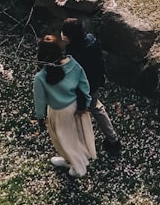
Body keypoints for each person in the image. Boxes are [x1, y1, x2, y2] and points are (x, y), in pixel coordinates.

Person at [33, 34, 96, 177]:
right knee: (75, 136)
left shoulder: (41, 77)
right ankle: (69, 160)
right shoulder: (72, 63)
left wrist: (40, 117)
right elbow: (83, 83)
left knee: (63, 139)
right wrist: (85, 102)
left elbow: (40, 100)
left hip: (57, 112)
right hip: (74, 106)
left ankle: (77, 166)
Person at [60, 18, 122, 154]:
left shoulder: (74, 54)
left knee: (78, 116)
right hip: (94, 83)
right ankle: (113, 139)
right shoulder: (91, 39)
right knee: (96, 108)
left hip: (82, 90)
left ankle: (80, 147)